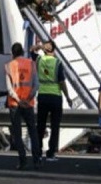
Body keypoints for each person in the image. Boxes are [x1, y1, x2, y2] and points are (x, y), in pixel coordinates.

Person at [5, 42, 41, 170]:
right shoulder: (31, 64)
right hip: (28, 103)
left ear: (13, 53)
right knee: (33, 131)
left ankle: (23, 161)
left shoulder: (9, 66)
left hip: (15, 104)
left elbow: (9, 89)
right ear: (22, 52)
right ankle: (37, 160)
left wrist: (19, 100)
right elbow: (36, 85)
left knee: (17, 134)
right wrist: (28, 99)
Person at [34, 40, 67, 161]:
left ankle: (37, 151)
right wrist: (67, 96)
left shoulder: (39, 60)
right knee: (55, 126)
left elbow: (32, 50)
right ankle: (51, 152)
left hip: (42, 95)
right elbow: (62, 82)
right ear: (54, 50)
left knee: (40, 125)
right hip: (55, 97)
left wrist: (40, 47)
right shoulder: (57, 63)